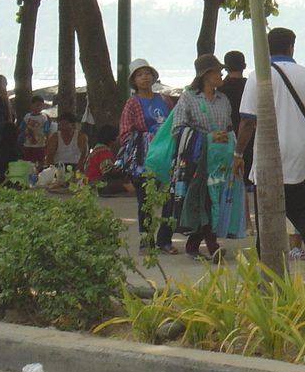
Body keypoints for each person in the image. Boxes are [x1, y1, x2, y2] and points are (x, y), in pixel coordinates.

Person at [234, 28, 305, 266]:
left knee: (267, 216)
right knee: (304, 212)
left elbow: (247, 120)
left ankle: (267, 268)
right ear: (291, 47)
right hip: (300, 152)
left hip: (269, 155)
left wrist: (238, 153)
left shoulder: (258, 76)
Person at [170, 54, 236, 260]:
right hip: (199, 161)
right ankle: (212, 246)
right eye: (218, 71)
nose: (222, 74)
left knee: (214, 200)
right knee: (204, 200)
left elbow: (229, 126)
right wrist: (207, 138)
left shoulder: (223, 99)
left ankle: (194, 245)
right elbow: (177, 130)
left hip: (220, 161)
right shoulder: (188, 99)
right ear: (207, 75)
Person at [117, 58, 178, 254]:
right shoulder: (132, 103)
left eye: (147, 73)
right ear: (134, 81)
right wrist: (147, 139)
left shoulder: (165, 100)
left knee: (171, 198)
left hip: (166, 158)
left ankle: (164, 240)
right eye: (139, 75)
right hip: (144, 160)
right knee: (145, 202)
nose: (144, 78)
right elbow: (125, 134)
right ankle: (146, 241)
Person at [85, 125, 131, 196]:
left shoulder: (97, 149)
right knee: (123, 182)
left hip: (89, 182)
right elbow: (107, 171)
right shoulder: (104, 151)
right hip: (97, 184)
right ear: (112, 140)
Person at [219, 50, 248, 131]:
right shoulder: (250, 85)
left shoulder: (220, 89)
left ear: (226, 68)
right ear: (244, 66)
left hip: (226, 133)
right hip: (249, 131)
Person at [19, 96, 51, 164]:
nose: (39, 108)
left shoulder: (43, 118)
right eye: (37, 105)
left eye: (41, 106)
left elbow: (46, 131)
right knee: (28, 163)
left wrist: (47, 143)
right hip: (27, 145)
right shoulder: (27, 117)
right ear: (31, 105)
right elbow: (21, 129)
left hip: (40, 145)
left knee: (39, 162)